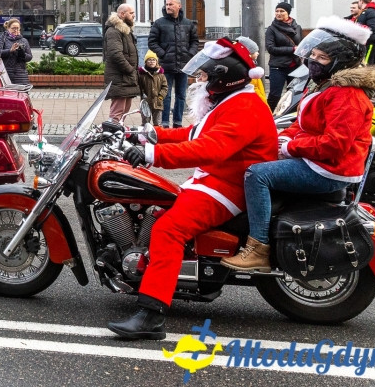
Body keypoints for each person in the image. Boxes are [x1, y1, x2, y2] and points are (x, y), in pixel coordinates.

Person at [107, 38, 277, 340]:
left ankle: (151, 315)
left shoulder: (246, 107)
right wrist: (143, 135)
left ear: (225, 77)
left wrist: (151, 155)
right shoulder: (232, 101)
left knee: (168, 229)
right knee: (156, 211)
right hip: (214, 178)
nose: (203, 80)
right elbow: (192, 133)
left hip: (227, 186)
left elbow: (208, 148)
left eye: (208, 76)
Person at [223, 18, 375, 271]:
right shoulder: (327, 85)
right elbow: (304, 124)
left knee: (257, 174)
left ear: (340, 62)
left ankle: (257, 248)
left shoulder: (346, 94)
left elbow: (334, 144)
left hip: (330, 169)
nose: (313, 61)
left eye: (322, 58)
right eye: (313, 55)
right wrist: (282, 137)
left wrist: (290, 148)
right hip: (319, 161)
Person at [148, 0, 199, 128]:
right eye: (167, 4)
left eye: (171, 4)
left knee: (181, 95)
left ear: (179, 6)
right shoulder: (159, 23)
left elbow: (194, 41)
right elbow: (152, 42)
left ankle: (178, 122)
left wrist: (190, 54)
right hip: (166, 65)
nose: (168, 6)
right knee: (166, 95)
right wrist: (163, 54)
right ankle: (164, 123)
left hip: (184, 65)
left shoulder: (188, 24)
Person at [264, 1, 303, 111]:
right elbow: (271, 48)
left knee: (293, 94)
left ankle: (289, 115)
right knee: (275, 95)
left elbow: (301, 43)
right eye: (276, 11)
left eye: (282, 11)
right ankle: (269, 114)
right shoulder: (271, 29)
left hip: (295, 66)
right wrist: (292, 49)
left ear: (288, 13)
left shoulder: (297, 27)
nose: (278, 13)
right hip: (278, 66)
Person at [105, 4, 141, 122]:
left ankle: (118, 134)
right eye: (131, 13)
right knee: (117, 113)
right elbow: (116, 54)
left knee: (124, 111)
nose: (133, 15)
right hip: (120, 78)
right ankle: (111, 135)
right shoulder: (114, 31)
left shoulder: (125, 30)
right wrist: (130, 69)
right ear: (122, 14)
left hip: (126, 78)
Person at [0, 18, 32, 85]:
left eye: (17, 28)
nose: (16, 30)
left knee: (22, 93)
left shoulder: (24, 40)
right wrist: (10, 50)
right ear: (8, 28)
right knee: (7, 94)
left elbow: (29, 57)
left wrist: (22, 54)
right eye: (13, 28)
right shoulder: (2, 39)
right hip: (6, 72)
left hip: (21, 73)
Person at [236, 36, 267, 103]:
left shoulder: (250, 66)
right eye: (255, 51)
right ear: (249, 53)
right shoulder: (249, 69)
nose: (258, 53)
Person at [137, 50, 168, 116]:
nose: (151, 62)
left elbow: (165, 87)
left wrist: (161, 97)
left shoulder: (161, 75)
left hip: (158, 102)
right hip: (146, 102)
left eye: (153, 60)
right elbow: (139, 86)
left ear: (156, 62)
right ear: (146, 62)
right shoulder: (142, 75)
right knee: (145, 121)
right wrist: (142, 95)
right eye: (149, 60)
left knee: (157, 122)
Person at [355, 0, 375, 64]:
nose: (358, 3)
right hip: (365, 42)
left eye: (358, 1)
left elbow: (373, 27)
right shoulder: (366, 12)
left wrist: (361, 30)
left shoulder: (371, 12)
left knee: (367, 63)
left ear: (361, 1)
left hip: (370, 42)